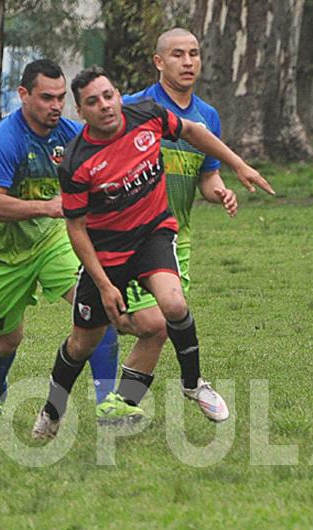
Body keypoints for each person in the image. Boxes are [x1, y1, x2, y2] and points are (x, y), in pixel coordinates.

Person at [32, 66, 274, 440]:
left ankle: (191, 384)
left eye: (109, 95)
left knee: (172, 307)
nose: (105, 106)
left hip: (152, 237)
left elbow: (193, 131)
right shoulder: (77, 162)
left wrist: (238, 165)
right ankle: (52, 411)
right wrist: (104, 284)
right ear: (80, 112)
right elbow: (76, 228)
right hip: (107, 255)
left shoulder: (146, 115)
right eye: (93, 102)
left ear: (118, 94)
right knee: (82, 344)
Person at [0, 59, 159, 434]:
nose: (54, 106)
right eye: (46, 98)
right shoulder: (5, 139)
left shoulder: (71, 134)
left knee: (96, 310)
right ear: (23, 95)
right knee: (7, 341)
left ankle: (108, 401)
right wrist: (47, 206)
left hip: (52, 240)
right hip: (2, 255)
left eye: (60, 98)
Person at [113, 27, 241, 403]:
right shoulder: (134, 107)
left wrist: (221, 192)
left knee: (159, 325)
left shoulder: (208, 117)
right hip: (127, 235)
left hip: (175, 237)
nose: (188, 62)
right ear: (158, 61)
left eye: (194, 54)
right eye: (178, 55)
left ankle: (122, 406)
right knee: (149, 324)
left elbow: (207, 176)